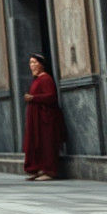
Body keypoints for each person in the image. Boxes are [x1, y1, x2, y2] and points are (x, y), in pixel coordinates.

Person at [23, 53, 66, 181]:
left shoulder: (46, 78)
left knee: (47, 143)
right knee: (37, 143)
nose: (32, 65)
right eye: (31, 63)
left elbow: (52, 96)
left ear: (42, 64)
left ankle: (50, 171)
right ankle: (40, 169)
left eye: (35, 62)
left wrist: (34, 98)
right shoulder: (37, 80)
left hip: (45, 118)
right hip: (37, 118)